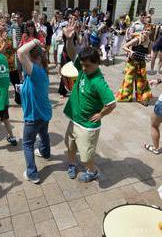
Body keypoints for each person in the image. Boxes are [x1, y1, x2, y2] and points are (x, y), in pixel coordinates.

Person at [63, 19, 116, 182]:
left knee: (86, 157)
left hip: (87, 126)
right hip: (75, 119)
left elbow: (112, 103)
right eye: (83, 65)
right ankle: (72, 164)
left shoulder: (98, 82)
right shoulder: (83, 69)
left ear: (97, 63)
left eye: (87, 66)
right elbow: (72, 53)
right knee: (70, 146)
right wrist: (69, 39)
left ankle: (92, 172)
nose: (83, 68)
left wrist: (101, 115)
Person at [17, 39, 52, 184]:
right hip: (44, 114)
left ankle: (32, 174)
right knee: (43, 134)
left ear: (34, 59)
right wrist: (21, 88)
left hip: (34, 117)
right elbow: (32, 88)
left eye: (27, 60)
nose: (24, 63)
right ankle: (45, 152)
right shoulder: (40, 71)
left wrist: (35, 41)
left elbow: (20, 52)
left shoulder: (35, 71)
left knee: (27, 144)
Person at [116, 24, 153, 105]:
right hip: (132, 63)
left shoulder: (150, 42)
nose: (147, 31)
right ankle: (125, 97)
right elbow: (124, 46)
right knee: (128, 80)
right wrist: (130, 51)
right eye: (146, 30)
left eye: (149, 30)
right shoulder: (137, 39)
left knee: (142, 81)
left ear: (151, 32)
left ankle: (142, 98)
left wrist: (149, 56)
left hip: (142, 63)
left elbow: (149, 53)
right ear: (143, 30)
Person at [0, 19, 21, 104]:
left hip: (12, 65)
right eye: (3, 25)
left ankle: (19, 99)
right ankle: (3, 102)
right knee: (3, 86)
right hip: (2, 67)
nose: (5, 26)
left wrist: (16, 42)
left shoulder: (9, 37)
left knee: (17, 83)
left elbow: (15, 49)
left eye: (5, 25)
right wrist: (5, 42)